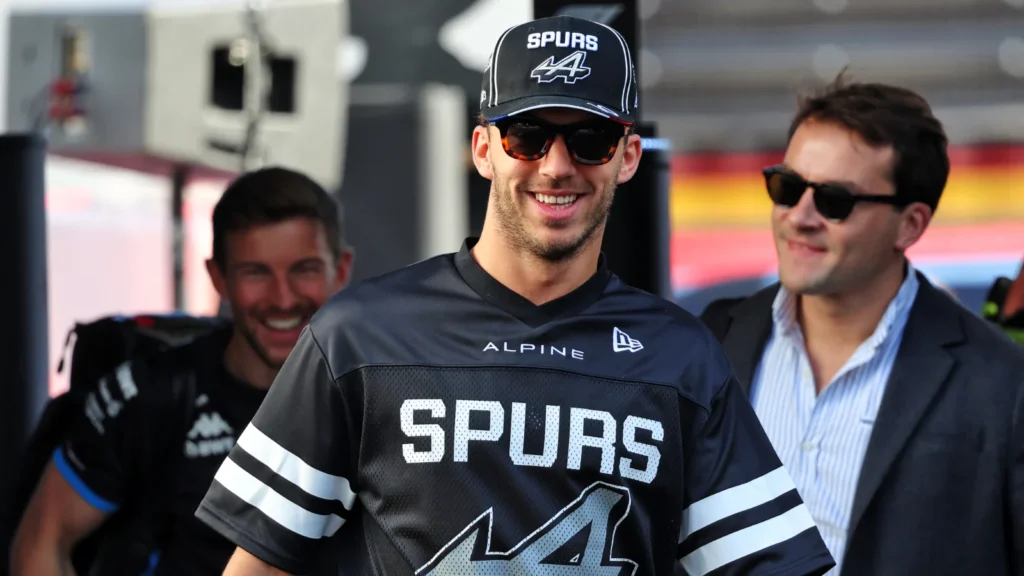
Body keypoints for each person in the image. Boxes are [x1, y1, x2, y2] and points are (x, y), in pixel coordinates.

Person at [195, 15, 835, 576]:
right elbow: (260, 562)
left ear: (629, 156)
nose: (557, 166)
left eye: (591, 141)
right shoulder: (357, 336)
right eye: (526, 136)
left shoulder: (681, 357)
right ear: (483, 149)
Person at [699, 77, 1024, 575]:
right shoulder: (712, 341)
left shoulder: (1002, 382)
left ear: (910, 224)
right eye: (786, 188)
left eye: (834, 200)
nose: (799, 217)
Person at [10, 167, 353, 576]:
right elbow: (41, 544)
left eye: (304, 269)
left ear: (342, 270)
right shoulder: (149, 393)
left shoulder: (383, 396)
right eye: (255, 272)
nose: (282, 298)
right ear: (218, 278)